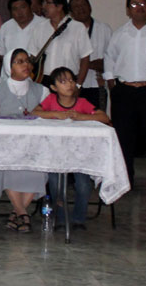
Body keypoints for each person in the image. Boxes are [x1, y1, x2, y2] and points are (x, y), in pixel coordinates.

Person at [33, 67, 112, 229]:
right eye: (63, 82)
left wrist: (81, 116)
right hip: (55, 152)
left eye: (71, 80)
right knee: (55, 184)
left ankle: (78, 218)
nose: (69, 84)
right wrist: (56, 114)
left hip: (79, 153)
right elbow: (35, 113)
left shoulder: (81, 103)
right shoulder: (51, 100)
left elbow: (104, 117)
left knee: (83, 185)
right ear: (54, 87)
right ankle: (60, 217)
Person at [102, 0, 146, 191]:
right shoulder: (120, 33)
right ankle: (125, 179)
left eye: (143, 3)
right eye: (134, 4)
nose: (139, 7)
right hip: (124, 91)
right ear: (128, 9)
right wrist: (111, 82)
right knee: (124, 138)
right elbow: (109, 57)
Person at [0, 48, 49, 232]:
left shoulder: (42, 91)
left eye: (27, 61)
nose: (26, 65)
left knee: (39, 167)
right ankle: (23, 213)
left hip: (33, 147)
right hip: (5, 147)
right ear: (9, 67)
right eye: (19, 61)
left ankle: (17, 213)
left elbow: (47, 122)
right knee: (6, 166)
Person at [28, 0, 92, 86]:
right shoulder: (39, 28)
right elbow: (33, 56)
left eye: (47, 3)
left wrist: (78, 85)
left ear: (59, 6)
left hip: (68, 81)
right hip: (43, 80)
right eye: (44, 2)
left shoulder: (78, 28)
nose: (43, 7)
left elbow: (85, 58)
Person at [68, 0, 111, 108]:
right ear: (71, 13)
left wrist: (87, 64)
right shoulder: (67, 31)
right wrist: (88, 64)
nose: (81, 8)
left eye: (83, 5)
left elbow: (111, 60)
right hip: (72, 87)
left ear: (90, 7)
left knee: (98, 118)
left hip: (97, 85)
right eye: (76, 7)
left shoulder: (104, 29)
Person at [0, 0, 47, 79]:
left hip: (35, 77)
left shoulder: (43, 25)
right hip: (9, 78)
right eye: (15, 9)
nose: (19, 12)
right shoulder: (6, 27)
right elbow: (0, 53)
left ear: (30, 7)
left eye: (23, 7)